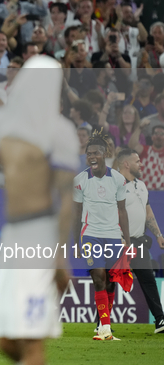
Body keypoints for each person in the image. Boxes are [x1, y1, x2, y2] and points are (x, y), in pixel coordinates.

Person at [0, 56, 78, 362]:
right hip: (12, 235)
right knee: (6, 340)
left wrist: (60, 253)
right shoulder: (2, 122)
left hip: (40, 233)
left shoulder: (60, 132)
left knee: (31, 341)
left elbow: (67, 200)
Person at [73, 128, 131, 341]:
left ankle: (102, 324)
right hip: (91, 235)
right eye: (88, 154)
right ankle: (105, 329)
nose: (91, 157)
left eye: (95, 153)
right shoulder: (79, 180)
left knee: (110, 281)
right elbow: (76, 213)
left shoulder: (118, 180)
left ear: (105, 153)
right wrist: (76, 242)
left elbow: (122, 211)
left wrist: (128, 241)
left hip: (114, 236)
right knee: (98, 277)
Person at [116, 148, 164, 334]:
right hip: (118, 243)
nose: (141, 164)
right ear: (126, 164)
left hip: (138, 243)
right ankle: (102, 323)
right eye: (137, 161)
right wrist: (119, 239)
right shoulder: (115, 185)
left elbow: (148, 212)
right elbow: (110, 214)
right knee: (108, 281)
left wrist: (158, 234)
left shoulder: (141, 186)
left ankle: (160, 320)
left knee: (148, 280)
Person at [137, 125, 164, 190]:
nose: (158, 136)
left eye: (162, 134)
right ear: (152, 137)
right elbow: (132, 145)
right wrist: (139, 128)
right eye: (156, 133)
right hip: (145, 191)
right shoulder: (144, 150)